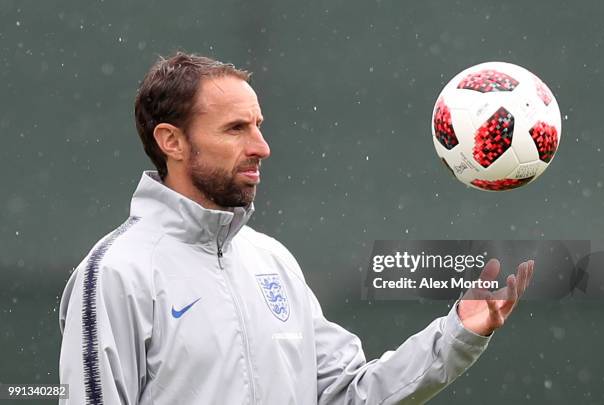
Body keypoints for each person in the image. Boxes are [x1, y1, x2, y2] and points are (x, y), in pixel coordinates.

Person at [58, 52, 534, 405]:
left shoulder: (272, 261)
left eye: (258, 125)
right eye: (235, 128)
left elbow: (349, 393)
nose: (261, 146)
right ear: (172, 141)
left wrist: (456, 334)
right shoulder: (117, 272)